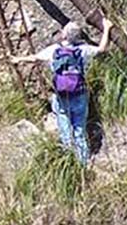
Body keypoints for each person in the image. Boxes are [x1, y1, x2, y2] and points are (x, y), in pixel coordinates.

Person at [12, 18, 114, 165]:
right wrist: (107, 28)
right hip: (80, 94)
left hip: (61, 96)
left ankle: (70, 162)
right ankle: (84, 163)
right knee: (79, 129)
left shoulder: (54, 50)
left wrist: (18, 59)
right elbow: (102, 48)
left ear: (64, 35)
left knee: (65, 130)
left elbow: (35, 58)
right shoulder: (83, 49)